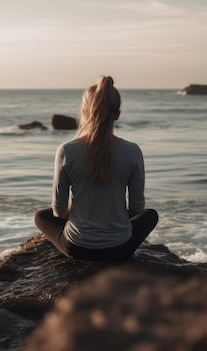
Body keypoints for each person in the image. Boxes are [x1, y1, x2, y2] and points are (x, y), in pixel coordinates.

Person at [34, 75, 158, 261]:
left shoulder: (66, 150)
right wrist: (111, 217)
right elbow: (136, 209)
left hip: (77, 248)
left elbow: (58, 211)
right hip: (120, 249)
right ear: (117, 114)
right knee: (151, 215)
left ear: (85, 111)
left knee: (40, 216)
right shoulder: (132, 151)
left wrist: (84, 216)